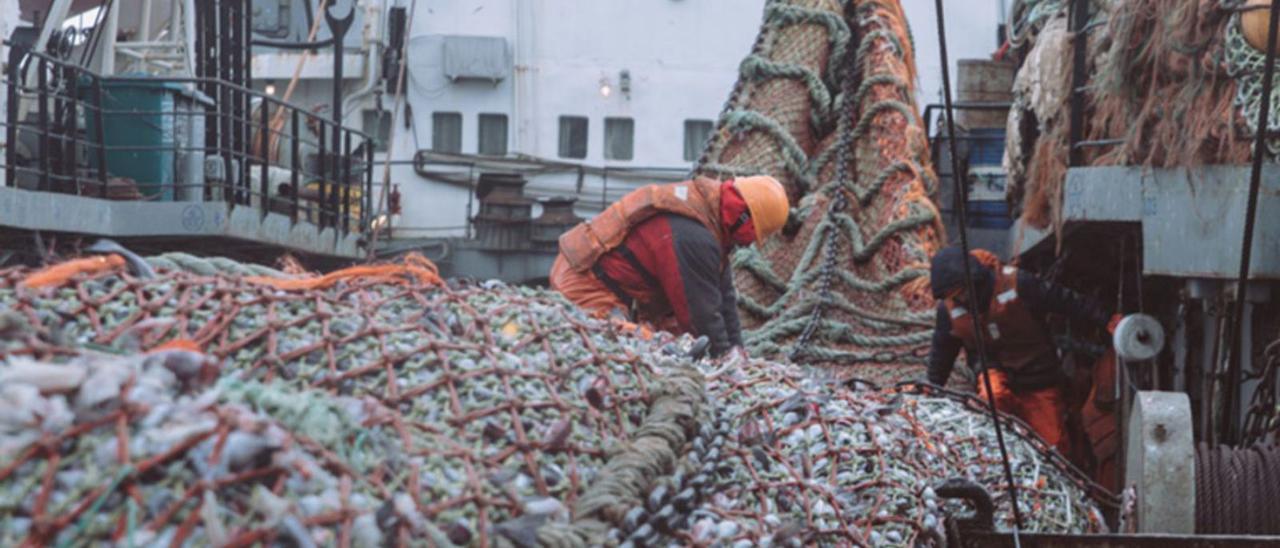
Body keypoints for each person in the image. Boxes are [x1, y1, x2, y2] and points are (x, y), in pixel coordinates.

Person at [550, 175, 789, 358]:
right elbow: (699, 314)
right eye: (750, 237)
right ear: (743, 219)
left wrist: (737, 352)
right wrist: (723, 362)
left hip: (613, 287)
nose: (746, 244)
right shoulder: (694, 237)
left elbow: (723, 294)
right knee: (657, 348)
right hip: (586, 285)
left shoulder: (711, 217)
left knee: (683, 343)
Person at [925, 246, 1118, 453]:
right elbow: (942, 352)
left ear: (974, 280)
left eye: (961, 291)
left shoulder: (1019, 284)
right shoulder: (949, 312)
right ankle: (998, 454)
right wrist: (930, 386)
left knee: (1054, 447)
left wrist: (1105, 317)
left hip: (1038, 378)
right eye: (953, 296)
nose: (960, 299)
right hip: (995, 373)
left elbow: (1064, 301)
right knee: (993, 398)